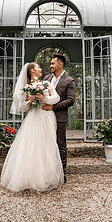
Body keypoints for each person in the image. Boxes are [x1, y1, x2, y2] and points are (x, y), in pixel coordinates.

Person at [0, 62, 64, 192]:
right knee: (32, 145)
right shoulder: (27, 87)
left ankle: (48, 177)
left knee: (48, 144)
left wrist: (44, 98)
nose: (40, 69)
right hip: (33, 117)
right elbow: (22, 107)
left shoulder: (46, 84)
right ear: (32, 71)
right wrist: (30, 101)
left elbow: (56, 98)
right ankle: (30, 178)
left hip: (47, 116)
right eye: (38, 67)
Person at [43, 53, 76, 182]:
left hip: (59, 117)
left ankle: (61, 174)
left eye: (53, 63)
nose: (51, 65)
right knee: (46, 144)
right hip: (45, 117)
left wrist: (53, 107)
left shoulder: (69, 80)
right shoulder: (46, 78)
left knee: (60, 144)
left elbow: (71, 100)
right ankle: (47, 172)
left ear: (60, 64)